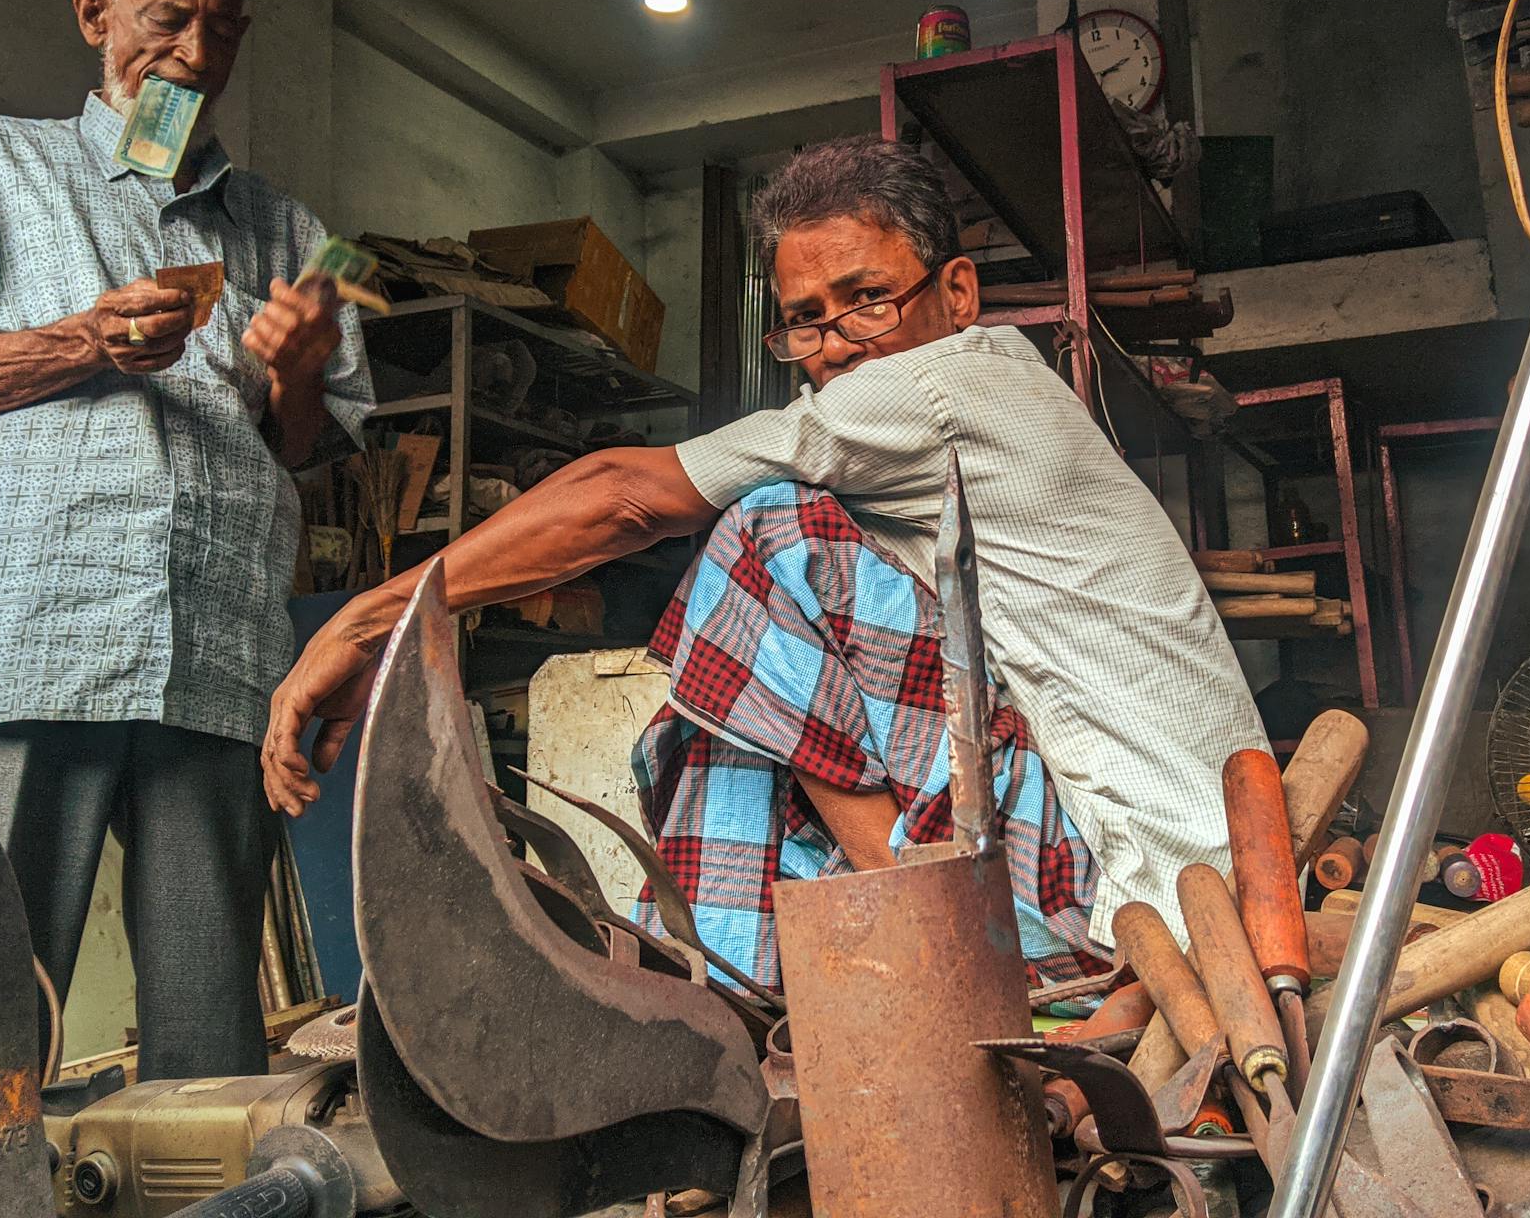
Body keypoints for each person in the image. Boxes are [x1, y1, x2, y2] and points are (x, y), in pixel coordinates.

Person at [263, 135, 1266, 988]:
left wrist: (365, 619)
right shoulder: (964, 410)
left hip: (1137, 900)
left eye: (867, 298)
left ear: (956, 293)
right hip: (1123, 865)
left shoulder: (949, 389)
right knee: (763, 639)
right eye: (805, 316)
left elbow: (622, 494)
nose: (834, 346)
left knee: (768, 528)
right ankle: (792, 963)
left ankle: (819, 960)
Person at [0, 0, 374, 1079]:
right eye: (165, 20)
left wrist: (291, 371)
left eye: (221, 31)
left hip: (216, 659)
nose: (192, 55)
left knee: (210, 1028)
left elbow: (314, 450)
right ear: (95, 16)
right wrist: (82, 340)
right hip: (30, 645)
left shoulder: (298, 232)